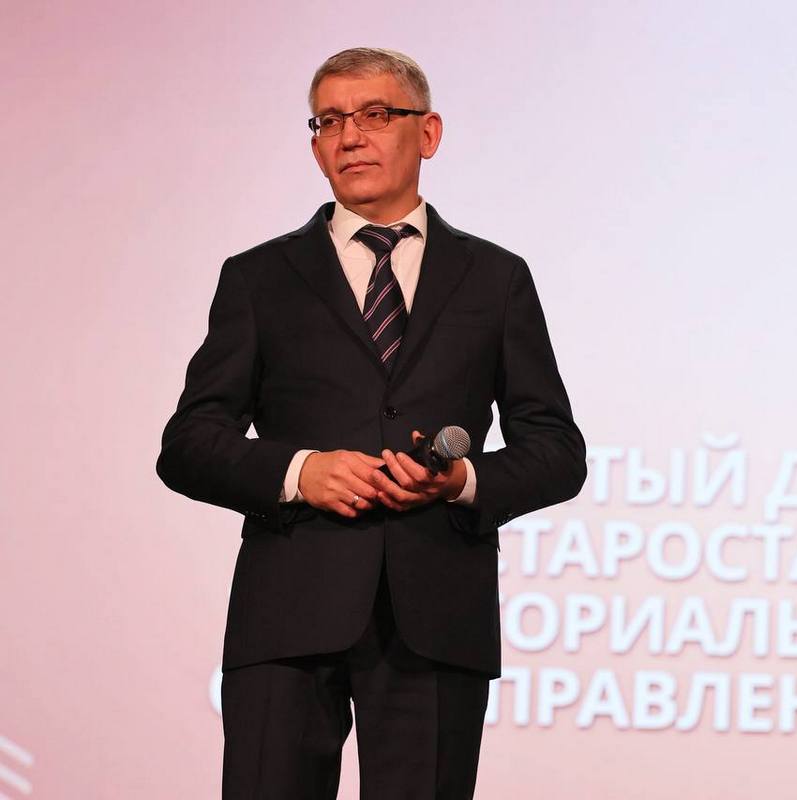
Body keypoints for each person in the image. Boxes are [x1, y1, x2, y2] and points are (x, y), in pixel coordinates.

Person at [156, 47, 586, 799]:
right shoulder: (258, 277)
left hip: (437, 615)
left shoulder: (495, 279)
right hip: (287, 615)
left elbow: (556, 450)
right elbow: (188, 445)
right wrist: (300, 473)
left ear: (429, 133)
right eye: (329, 121)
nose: (350, 136)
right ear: (316, 145)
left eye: (375, 115)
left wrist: (461, 480)